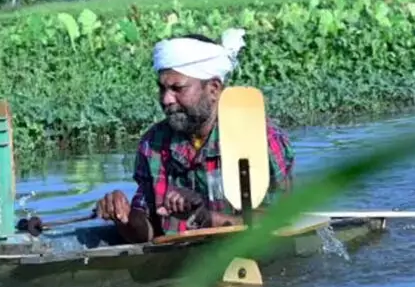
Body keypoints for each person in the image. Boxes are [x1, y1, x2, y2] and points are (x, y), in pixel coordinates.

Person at [95, 28, 295, 244]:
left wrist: (206, 219)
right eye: (162, 89)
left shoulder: (262, 139)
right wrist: (122, 216)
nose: (166, 99)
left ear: (214, 89)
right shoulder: (152, 144)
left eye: (177, 88)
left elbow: (281, 222)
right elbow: (148, 231)